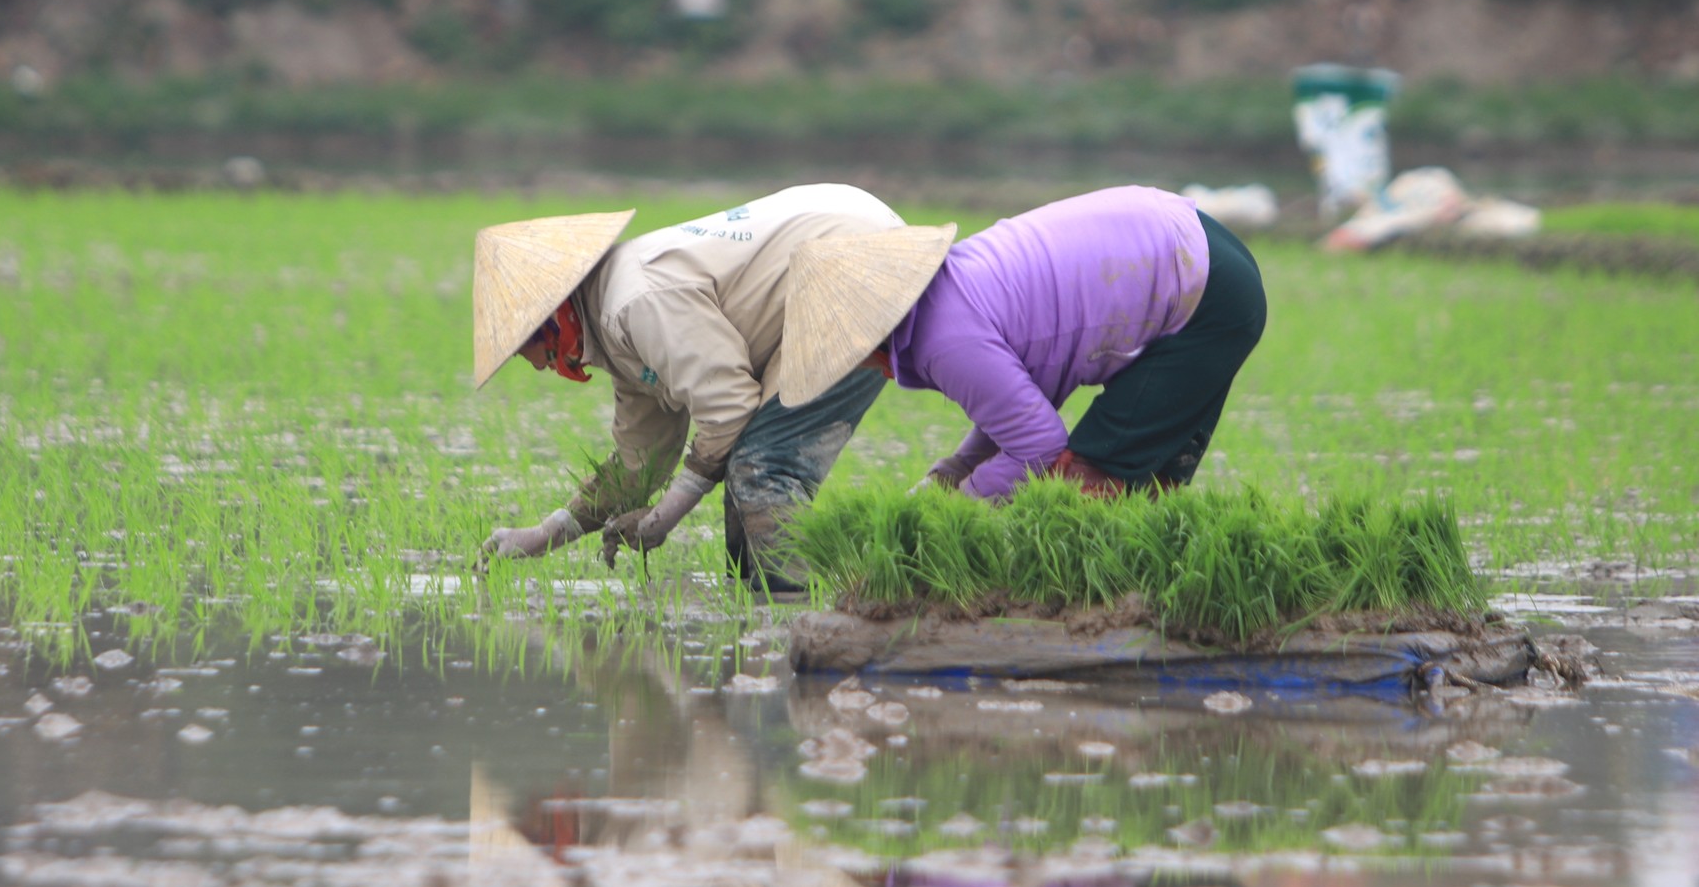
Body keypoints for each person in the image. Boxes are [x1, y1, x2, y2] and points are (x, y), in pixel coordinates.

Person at [472, 184, 952, 591]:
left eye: (523, 352)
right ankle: (765, 618)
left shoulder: (635, 302)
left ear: (550, 325)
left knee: (763, 470)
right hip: (845, 245)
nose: (535, 368)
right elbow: (643, 460)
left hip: (854, 265)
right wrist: (545, 534)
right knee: (749, 483)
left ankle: (795, 617)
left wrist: (663, 520)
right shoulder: (615, 323)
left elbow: (728, 408)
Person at [780, 185, 1266, 499]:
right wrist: (949, 474)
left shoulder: (943, 341)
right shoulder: (953, 290)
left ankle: (1092, 625)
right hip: (1197, 247)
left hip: (1200, 288)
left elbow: (1037, 448)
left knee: (1086, 480)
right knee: (1145, 480)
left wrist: (951, 514)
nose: (864, 368)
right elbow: (1014, 415)